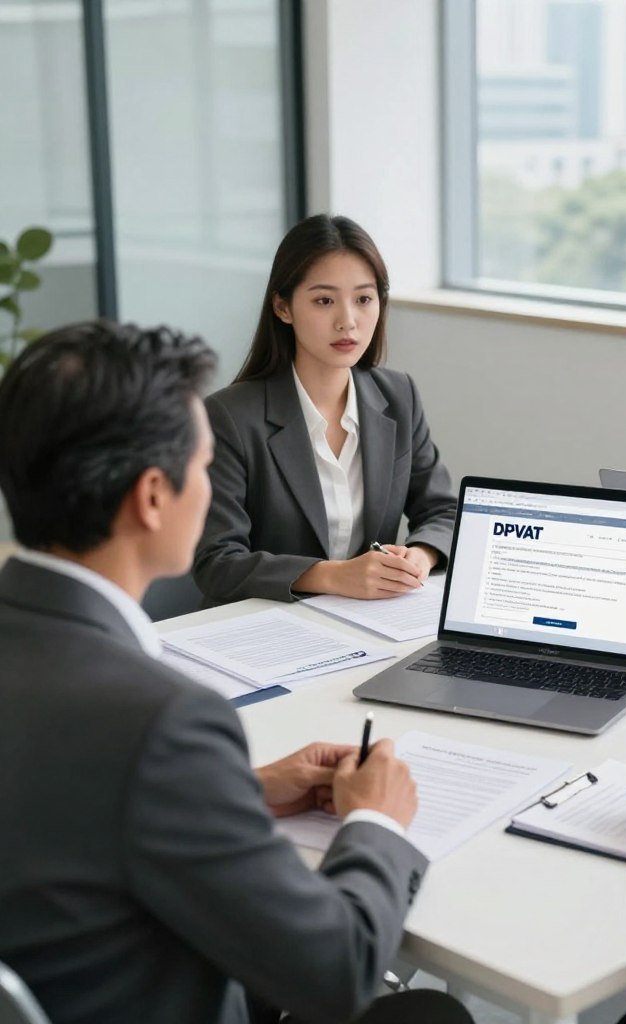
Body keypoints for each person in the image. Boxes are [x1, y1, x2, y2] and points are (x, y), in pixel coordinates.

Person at [0, 322, 471, 1024]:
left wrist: (240, 790)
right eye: (206, 462)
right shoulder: (162, 720)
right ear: (153, 497)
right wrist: (376, 820)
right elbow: (336, 971)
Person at [193, 214, 456, 606]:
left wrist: (419, 556)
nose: (347, 321)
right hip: (266, 629)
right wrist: (334, 576)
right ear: (283, 308)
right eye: (324, 301)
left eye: (364, 299)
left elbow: (444, 512)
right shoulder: (228, 417)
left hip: (370, 622)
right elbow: (217, 563)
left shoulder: (399, 396)